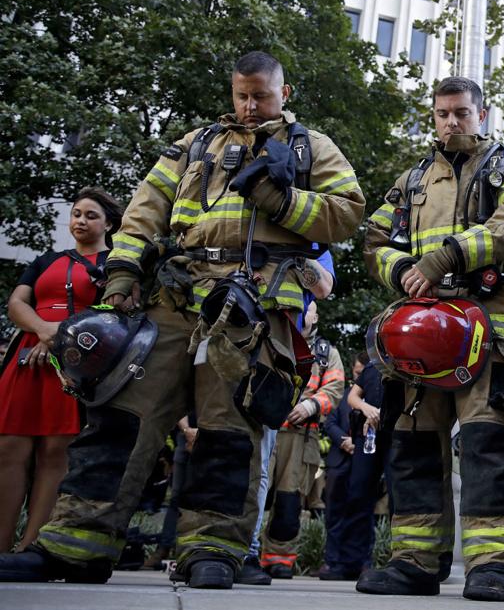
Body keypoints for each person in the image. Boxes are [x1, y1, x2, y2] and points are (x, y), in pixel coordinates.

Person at [0, 51, 364, 589]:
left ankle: (213, 550)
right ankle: (76, 543)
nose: (249, 105)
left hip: (253, 308)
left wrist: (279, 198)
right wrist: (122, 275)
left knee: (228, 429)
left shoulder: (312, 147)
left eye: (261, 96)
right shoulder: (195, 143)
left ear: (284, 94)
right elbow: (144, 211)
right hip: (175, 297)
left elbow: (348, 213)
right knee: (121, 415)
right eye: (242, 95)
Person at [358, 76, 504, 601]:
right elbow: (374, 241)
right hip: (419, 330)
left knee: (490, 444)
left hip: (490, 329)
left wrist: (445, 258)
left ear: (481, 114)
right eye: (443, 114)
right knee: (413, 443)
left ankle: (499, 563)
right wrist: (404, 272)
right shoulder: (413, 179)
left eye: (462, 112)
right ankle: (414, 560)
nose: (451, 122)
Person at [0, 187, 122, 552]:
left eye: (91, 215)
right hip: (27, 361)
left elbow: (114, 316)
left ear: (108, 224)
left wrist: (59, 339)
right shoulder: (46, 260)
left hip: (75, 366)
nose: (80, 221)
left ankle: (30, 547)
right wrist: (43, 330)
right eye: (76, 214)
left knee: (55, 453)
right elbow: (16, 303)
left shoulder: (114, 265)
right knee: (8, 448)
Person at [258, 301, 344, 578]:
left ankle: (279, 558)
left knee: (289, 499)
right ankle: (243, 552)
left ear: (315, 316)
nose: (301, 311)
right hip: (263, 428)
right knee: (251, 491)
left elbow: (335, 388)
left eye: (308, 307)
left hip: (299, 435)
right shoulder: (267, 338)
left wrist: (310, 405)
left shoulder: (326, 353)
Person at [319, 351, 384, 580]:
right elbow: (330, 422)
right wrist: (344, 440)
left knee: (364, 506)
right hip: (343, 458)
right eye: (357, 373)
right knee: (339, 512)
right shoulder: (347, 393)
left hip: (371, 448)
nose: (359, 376)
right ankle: (336, 562)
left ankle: (362, 563)